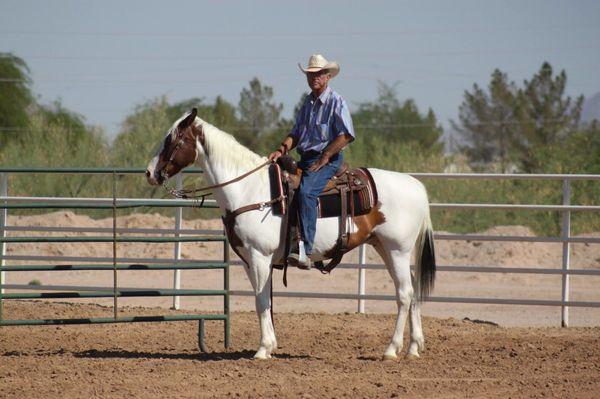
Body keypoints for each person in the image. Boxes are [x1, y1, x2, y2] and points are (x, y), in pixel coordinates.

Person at [269, 54, 355, 269]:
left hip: (329, 159)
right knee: (279, 183)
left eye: (318, 74)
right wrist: (281, 149)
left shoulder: (337, 101)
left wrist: (326, 156)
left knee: (307, 192)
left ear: (327, 76)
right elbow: (296, 133)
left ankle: (306, 250)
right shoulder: (307, 102)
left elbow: (346, 135)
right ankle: (282, 242)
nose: (314, 77)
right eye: (310, 74)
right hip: (307, 158)